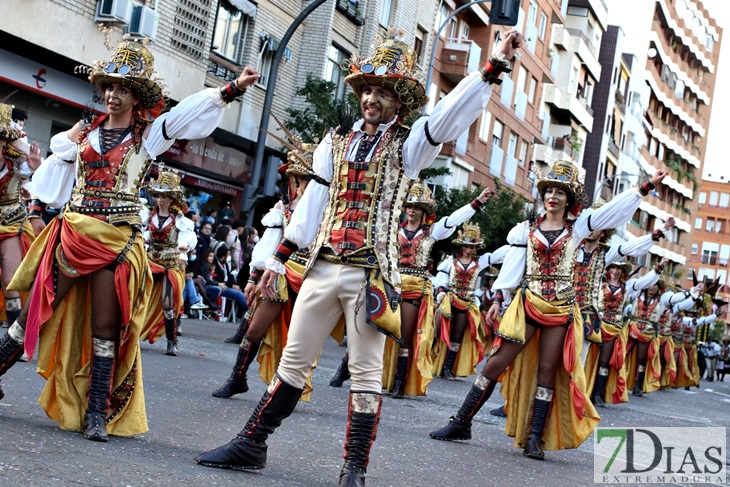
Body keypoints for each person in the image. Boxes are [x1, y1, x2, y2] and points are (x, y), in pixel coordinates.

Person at [195, 29, 523, 485]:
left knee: (366, 373)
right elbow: (312, 205)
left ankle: (354, 468)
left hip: (373, 274)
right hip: (322, 265)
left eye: (383, 92)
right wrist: (276, 261)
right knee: (293, 361)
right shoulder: (334, 142)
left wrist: (491, 68)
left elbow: (447, 118)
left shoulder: (410, 147)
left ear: (399, 102)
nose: (372, 99)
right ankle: (252, 443)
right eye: (367, 89)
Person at [0, 38, 259, 441]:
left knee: (107, 329)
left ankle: (96, 415)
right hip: (72, 233)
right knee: (34, 312)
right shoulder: (84, 133)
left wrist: (232, 89)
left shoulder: (151, 136)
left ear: (136, 96)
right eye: (108, 87)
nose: (112, 95)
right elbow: (52, 173)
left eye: (122, 89)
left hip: (117, 243)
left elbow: (187, 114)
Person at [429, 160, 668, 460]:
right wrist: (500, 301)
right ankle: (461, 421)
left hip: (560, 309)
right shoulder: (525, 230)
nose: (552, 196)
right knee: (495, 362)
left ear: (570, 199)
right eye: (548, 190)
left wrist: (644, 187)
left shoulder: (579, 227)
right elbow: (515, 268)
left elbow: (611, 212)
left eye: (559, 192)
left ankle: (534, 438)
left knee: (547, 372)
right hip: (528, 302)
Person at [212, 132, 340, 400]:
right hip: (281, 274)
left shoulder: (333, 209)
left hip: (315, 277)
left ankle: (283, 391)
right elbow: (269, 245)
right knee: (254, 329)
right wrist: (253, 277)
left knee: (300, 341)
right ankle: (237, 378)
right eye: (301, 179)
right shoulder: (283, 209)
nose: (304, 184)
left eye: (310, 178)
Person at [380, 184, 492, 398]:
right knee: (379, 331)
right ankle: (351, 371)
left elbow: (453, 220)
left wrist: (476, 202)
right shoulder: (392, 228)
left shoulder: (431, 233)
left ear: (424, 212)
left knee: (405, 337)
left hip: (415, 289)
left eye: (417, 207)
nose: (411, 211)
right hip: (391, 284)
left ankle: (399, 383)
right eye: (409, 206)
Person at [432, 224, 508, 380]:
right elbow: (441, 278)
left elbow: (499, 254)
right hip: (449, 300)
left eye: (472, 247)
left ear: (476, 248)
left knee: (457, 336)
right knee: (436, 330)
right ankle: (429, 360)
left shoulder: (481, 261)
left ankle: (447, 368)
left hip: (466, 302)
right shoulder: (450, 261)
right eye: (466, 246)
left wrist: (519, 242)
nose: (469, 249)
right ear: (461, 245)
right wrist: (440, 293)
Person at [139, 167, 197, 356]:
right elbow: (142, 234)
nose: (160, 199)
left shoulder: (181, 220)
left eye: (164, 196)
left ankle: (172, 342)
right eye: (158, 196)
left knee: (168, 303)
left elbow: (188, 239)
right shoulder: (148, 216)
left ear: (172, 198)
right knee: (138, 297)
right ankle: (128, 334)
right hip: (149, 260)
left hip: (170, 263)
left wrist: (183, 250)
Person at [623, 270, 699, 397]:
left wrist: (692, 292)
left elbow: (676, 299)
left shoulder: (663, 301)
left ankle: (638, 385)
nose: (652, 288)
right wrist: (631, 278)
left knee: (642, 359)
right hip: (632, 329)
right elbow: (627, 288)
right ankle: (620, 380)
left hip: (648, 332)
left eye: (655, 286)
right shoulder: (637, 293)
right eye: (650, 285)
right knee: (622, 354)